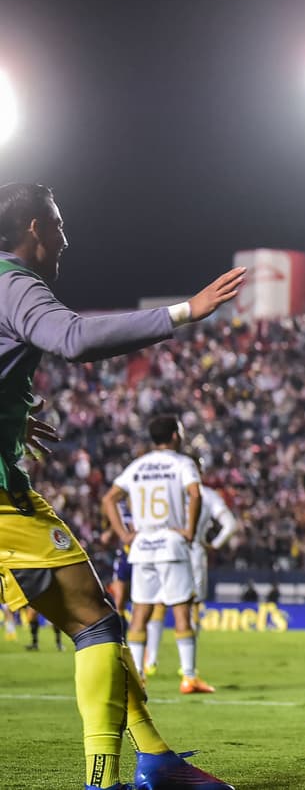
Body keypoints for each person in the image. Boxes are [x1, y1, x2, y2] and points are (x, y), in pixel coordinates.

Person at [0, 182, 240, 790]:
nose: (64, 237)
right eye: (56, 223)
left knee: (98, 615)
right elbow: (73, 338)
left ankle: (156, 756)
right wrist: (182, 312)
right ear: (33, 228)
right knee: (97, 625)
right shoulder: (14, 282)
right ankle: (104, 779)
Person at [101, 416, 215, 695]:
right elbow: (195, 494)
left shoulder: (138, 465)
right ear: (175, 436)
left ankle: (138, 677)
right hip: (170, 543)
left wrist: (125, 535)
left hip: (141, 547)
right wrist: (189, 529)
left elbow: (108, 499)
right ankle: (188, 677)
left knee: (140, 610)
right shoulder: (182, 463)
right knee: (181, 611)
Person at [145, 469, 237, 676]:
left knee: (159, 604)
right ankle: (188, 669)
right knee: (191, 608)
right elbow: (230, 524)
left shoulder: (169, 490)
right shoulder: (208, 495)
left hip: (165, 550)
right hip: (195, 552)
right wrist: (214, 545)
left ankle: (150, 661)